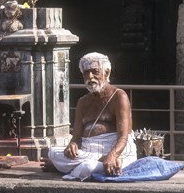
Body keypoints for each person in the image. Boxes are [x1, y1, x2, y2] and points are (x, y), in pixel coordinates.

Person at [45, 52, 137, 181]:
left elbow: (123, 137)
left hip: (117, 150)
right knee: (53, 153)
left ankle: (67, 168)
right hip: (88, 152)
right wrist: (72, 145)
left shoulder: (119, 96)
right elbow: (76, 138)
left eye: (95, 72)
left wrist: (112, 155)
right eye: (86, 73)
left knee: (87, 167)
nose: (90, 77)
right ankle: (97, 162)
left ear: (107, 73)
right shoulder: (82, 102)